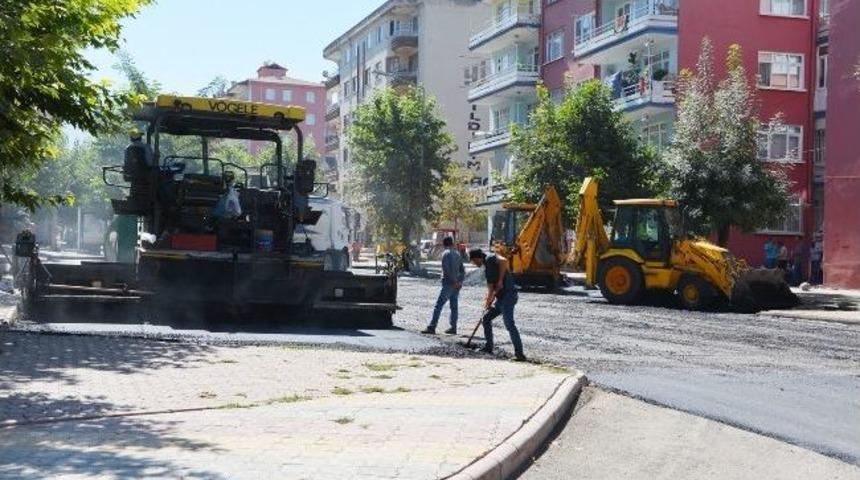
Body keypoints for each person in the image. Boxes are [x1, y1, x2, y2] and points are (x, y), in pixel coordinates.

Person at [468, 248, 526, 361]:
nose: (474, 264)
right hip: (500, 298)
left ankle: (520, 354)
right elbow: (490, 288)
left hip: (508, 296)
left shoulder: (490, 259)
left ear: (477, 258)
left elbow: (504, 261)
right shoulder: (488, 264)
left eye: (474, 262)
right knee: (486, 318)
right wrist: (488, 301)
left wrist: (500, 281)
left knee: (509, 324)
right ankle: (488, 347)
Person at [422, 237, 464, 335]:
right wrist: (459, 282)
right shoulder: (457, 254)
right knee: (454, 307)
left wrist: (453, 281)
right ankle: (453, 327)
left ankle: (432, 326)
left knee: (438, 305)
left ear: (444, 244)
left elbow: (446, 269)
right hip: (456, 285)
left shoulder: (446, 253)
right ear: (452, 243)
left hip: (448, 284)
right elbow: (462, 270)